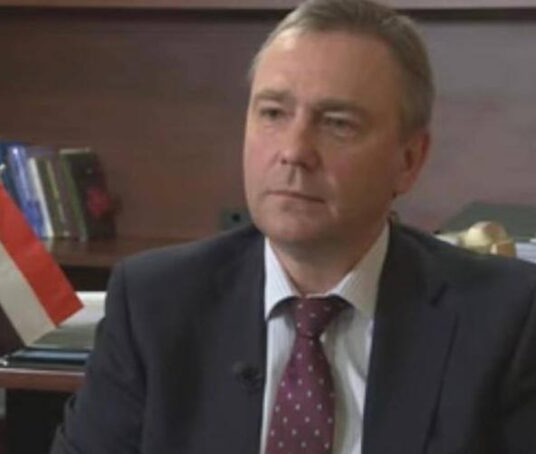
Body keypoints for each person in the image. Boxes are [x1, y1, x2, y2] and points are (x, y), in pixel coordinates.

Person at [51, 0, 536, 452]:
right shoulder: (154, 304)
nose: (294, 150)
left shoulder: (505, 320)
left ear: (408, 160)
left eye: (338, 123)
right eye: (273, 113)